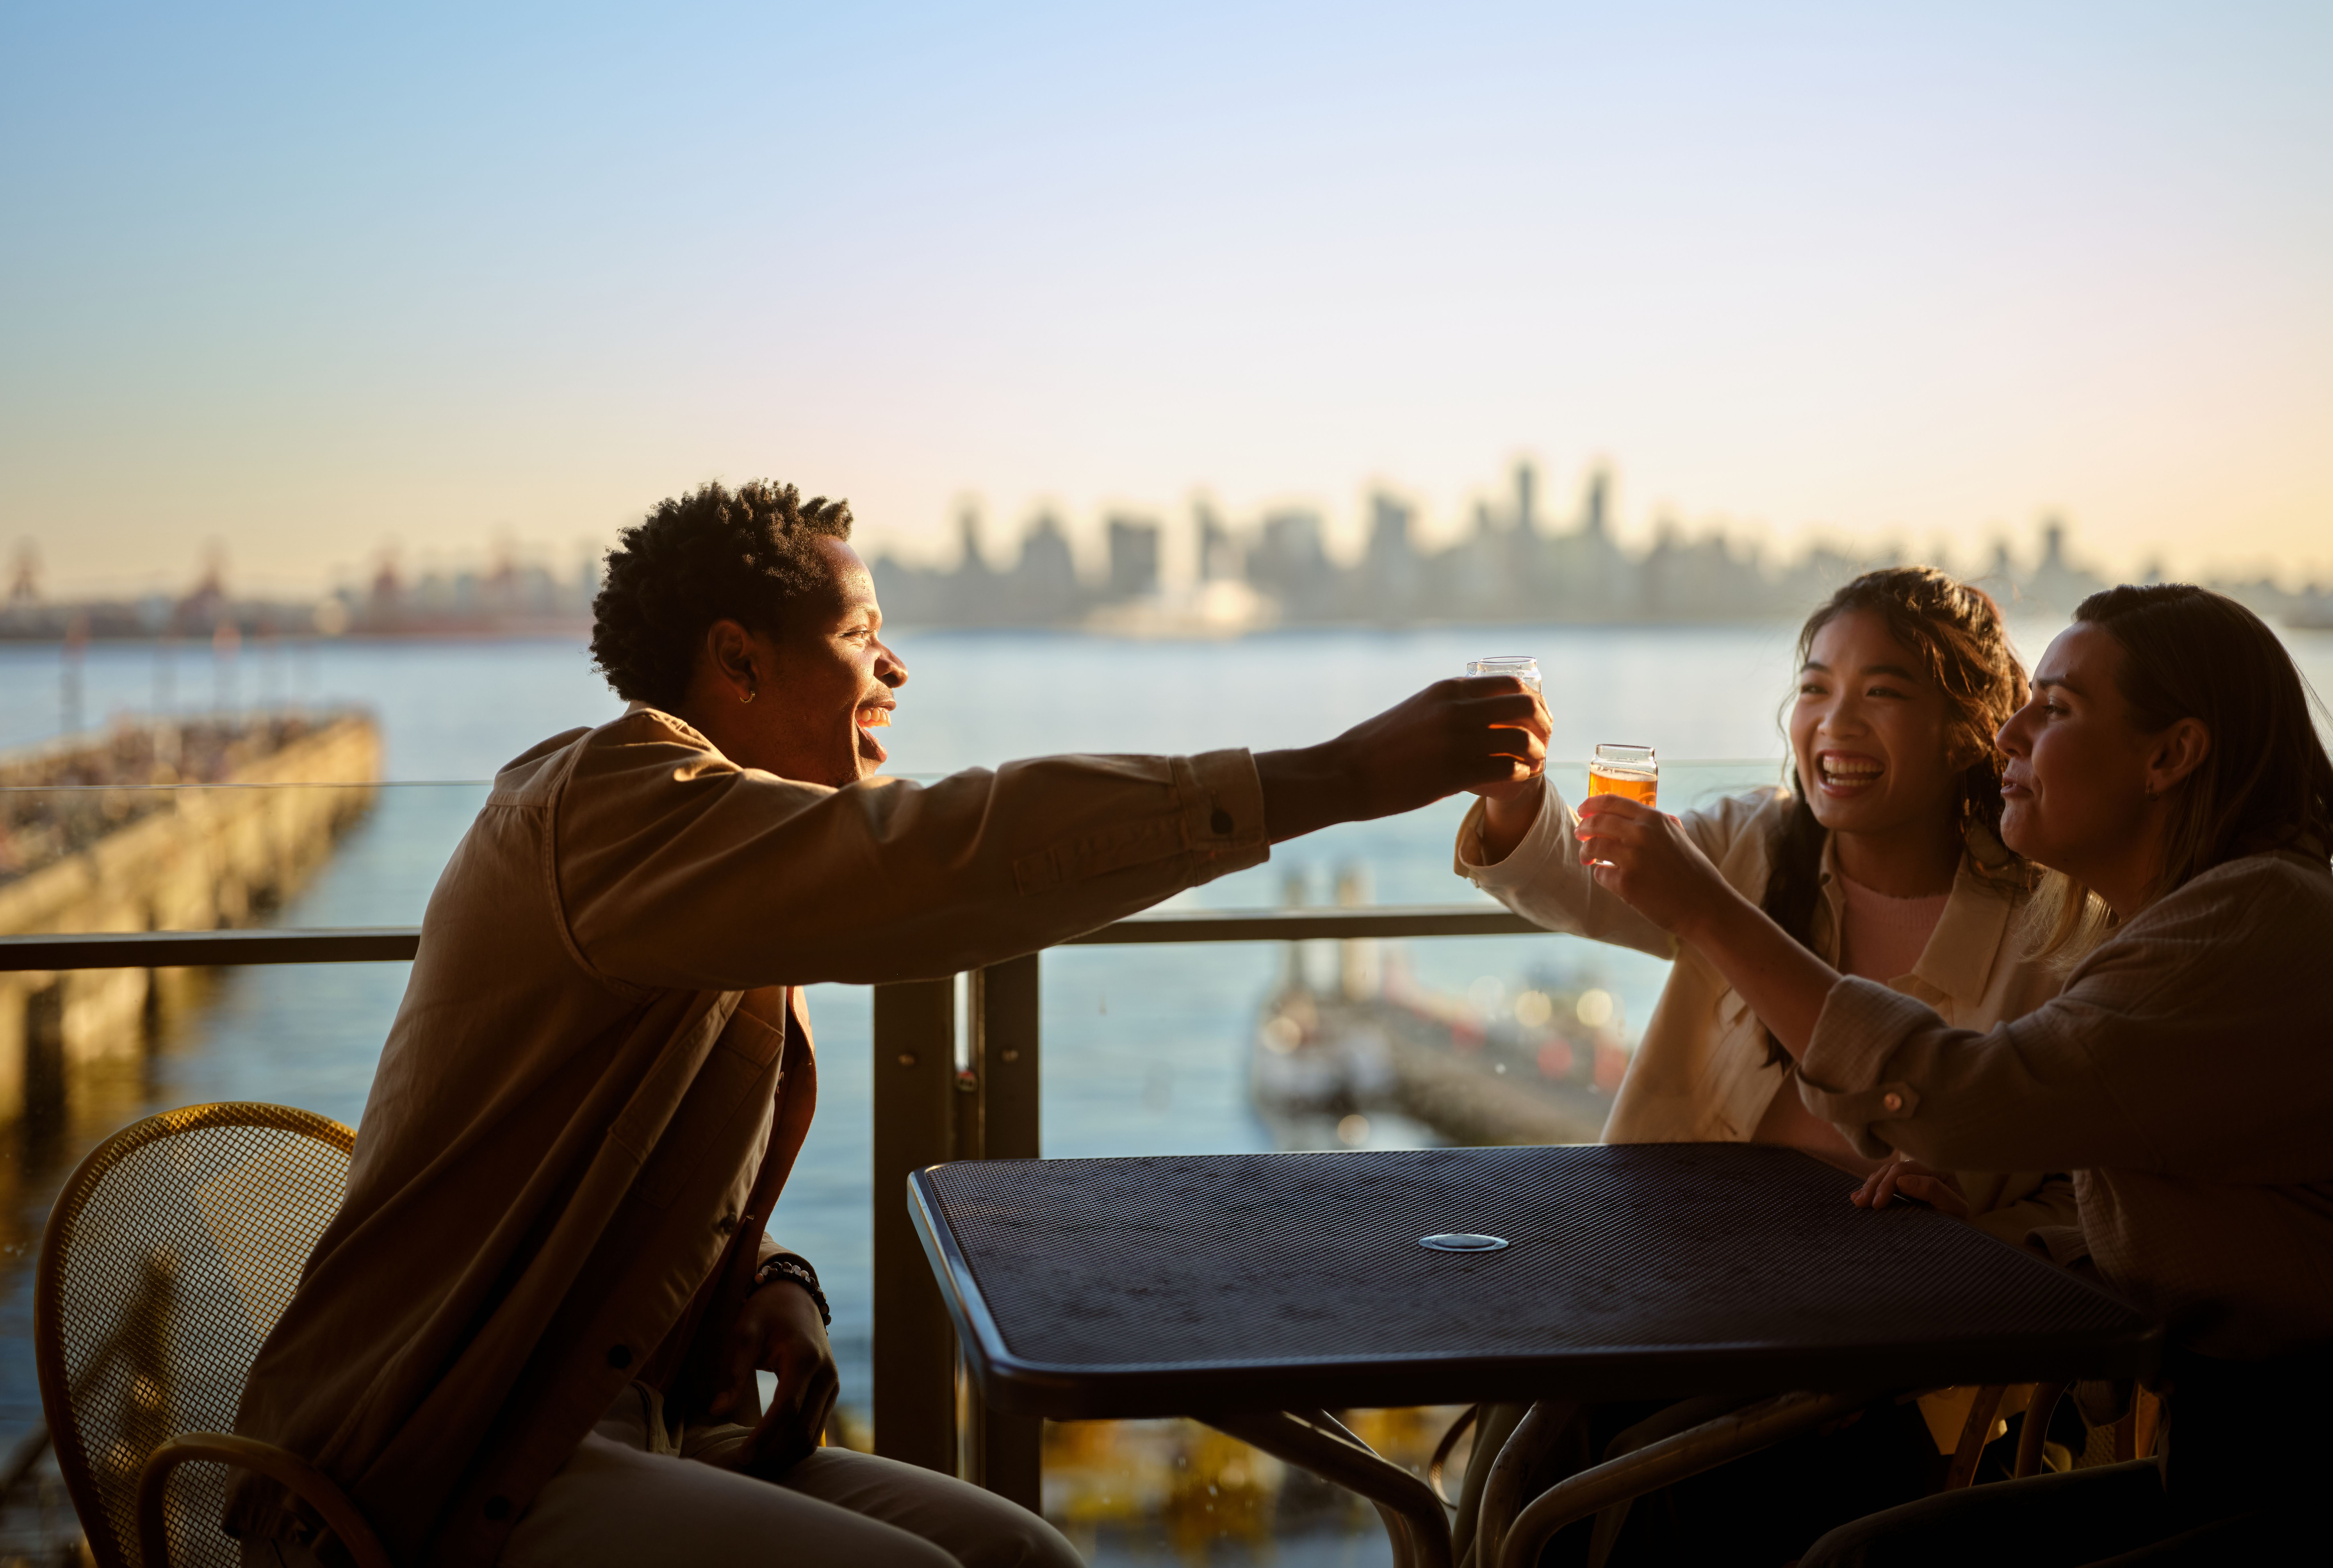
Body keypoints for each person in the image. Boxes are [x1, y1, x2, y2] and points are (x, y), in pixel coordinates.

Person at [228, 480, 1549, 1568]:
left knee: (1023, 1559)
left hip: (609, 1425)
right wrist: (1337, 777)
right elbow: (933, 862)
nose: (897, 668)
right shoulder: (608, 804)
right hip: (431, 1471)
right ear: (737, 659)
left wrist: (775, 1288)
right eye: (865, 635)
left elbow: (628, 1180)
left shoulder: (701, 851)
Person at [1574, 585, 2333, 1561]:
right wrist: (2000, 1230)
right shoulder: (2197, 918)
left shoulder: (2248, 926)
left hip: (2291, 1461)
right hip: (2230, 1453)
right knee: (1609, 1439)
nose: (2011, 734)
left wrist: (1710, 912)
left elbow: (1955, 1099)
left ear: (2171, 755)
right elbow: (2205, 1197)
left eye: (2056, 710)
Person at [1446, 570, 2077, 1563]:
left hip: (1886, 1353)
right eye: (1817, 686)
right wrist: (1516, 791)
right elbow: (1580, 879)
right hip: (1688, 1285)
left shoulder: (2047, 929)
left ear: (1968, 729)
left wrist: (1981, 1233)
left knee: (1655, 1484)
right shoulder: (1747, 843)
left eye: (1884, 692)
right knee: (1516, 1449)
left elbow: (2084, 1197)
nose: (1836, 720)